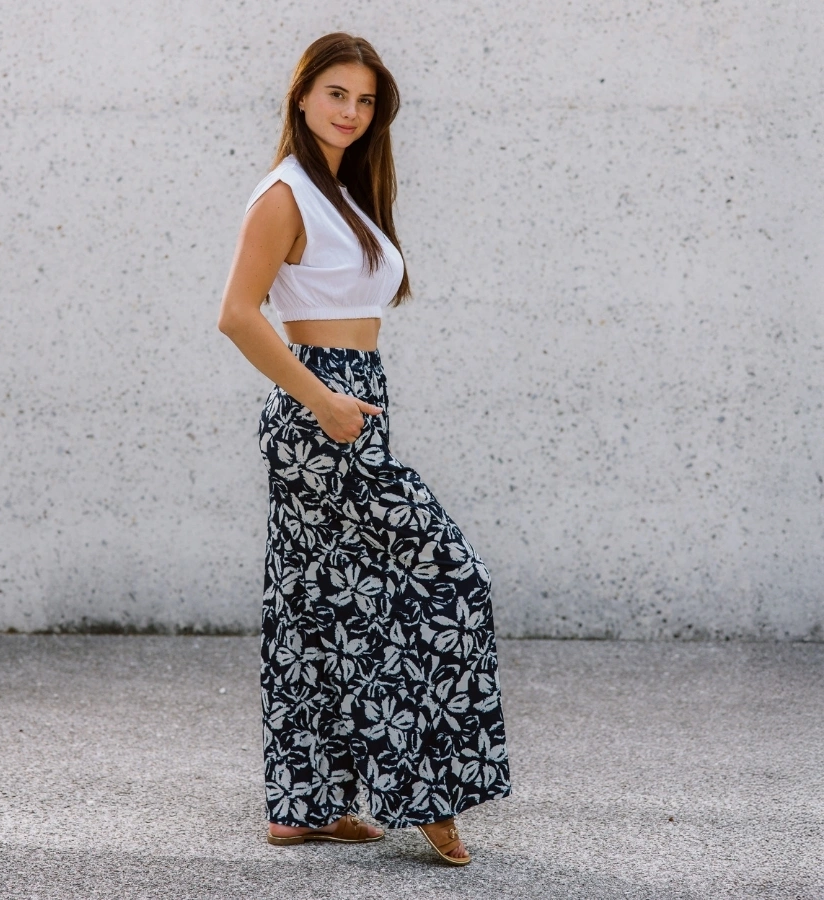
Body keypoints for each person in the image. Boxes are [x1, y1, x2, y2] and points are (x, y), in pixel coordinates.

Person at [217, 32, 511, 866]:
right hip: (320, 409)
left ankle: (304, 803)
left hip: (348, 401)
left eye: (366, 100)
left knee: (317, 604)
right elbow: (236, 314)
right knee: (451, 577)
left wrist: (340, 401)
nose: (351, 111)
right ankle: (432, 793)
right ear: (302, 95)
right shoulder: (284, 194)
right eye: (337, 93)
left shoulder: (343, 192)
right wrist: (323, 401)